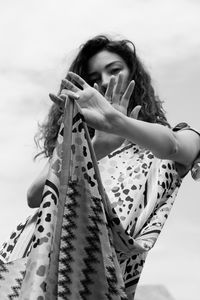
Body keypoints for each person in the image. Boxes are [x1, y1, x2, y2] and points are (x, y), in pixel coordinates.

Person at [27, 35, 200, 299]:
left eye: (115, 70)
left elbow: (174, 146)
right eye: (95, 76)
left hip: (102, 286)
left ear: (134, 74)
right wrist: (98, 146)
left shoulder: (170, 139)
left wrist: (117, 122)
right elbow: (34, 196)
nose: (105, 81)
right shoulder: (82, 144)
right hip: (43, 274)